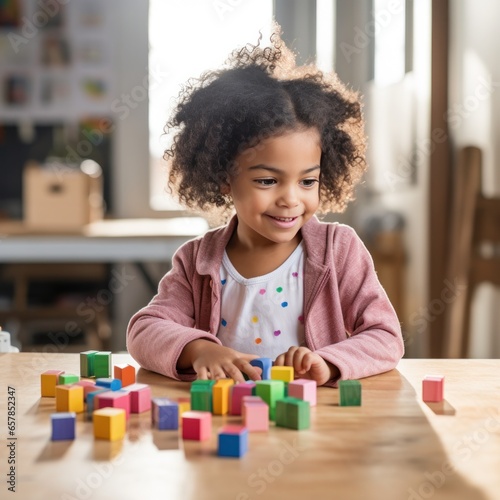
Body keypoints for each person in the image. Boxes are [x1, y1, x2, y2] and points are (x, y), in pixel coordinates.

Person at [127, 28, 404, 386]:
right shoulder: (197, 260)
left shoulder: (339, 251)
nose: (290, 198)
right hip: (227, 420)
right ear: (225, 176)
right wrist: (199, 349)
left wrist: (328, 362)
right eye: (267, 181)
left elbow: (386, 337)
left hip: (312, 423)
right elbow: (144, 330)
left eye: (307, 181)